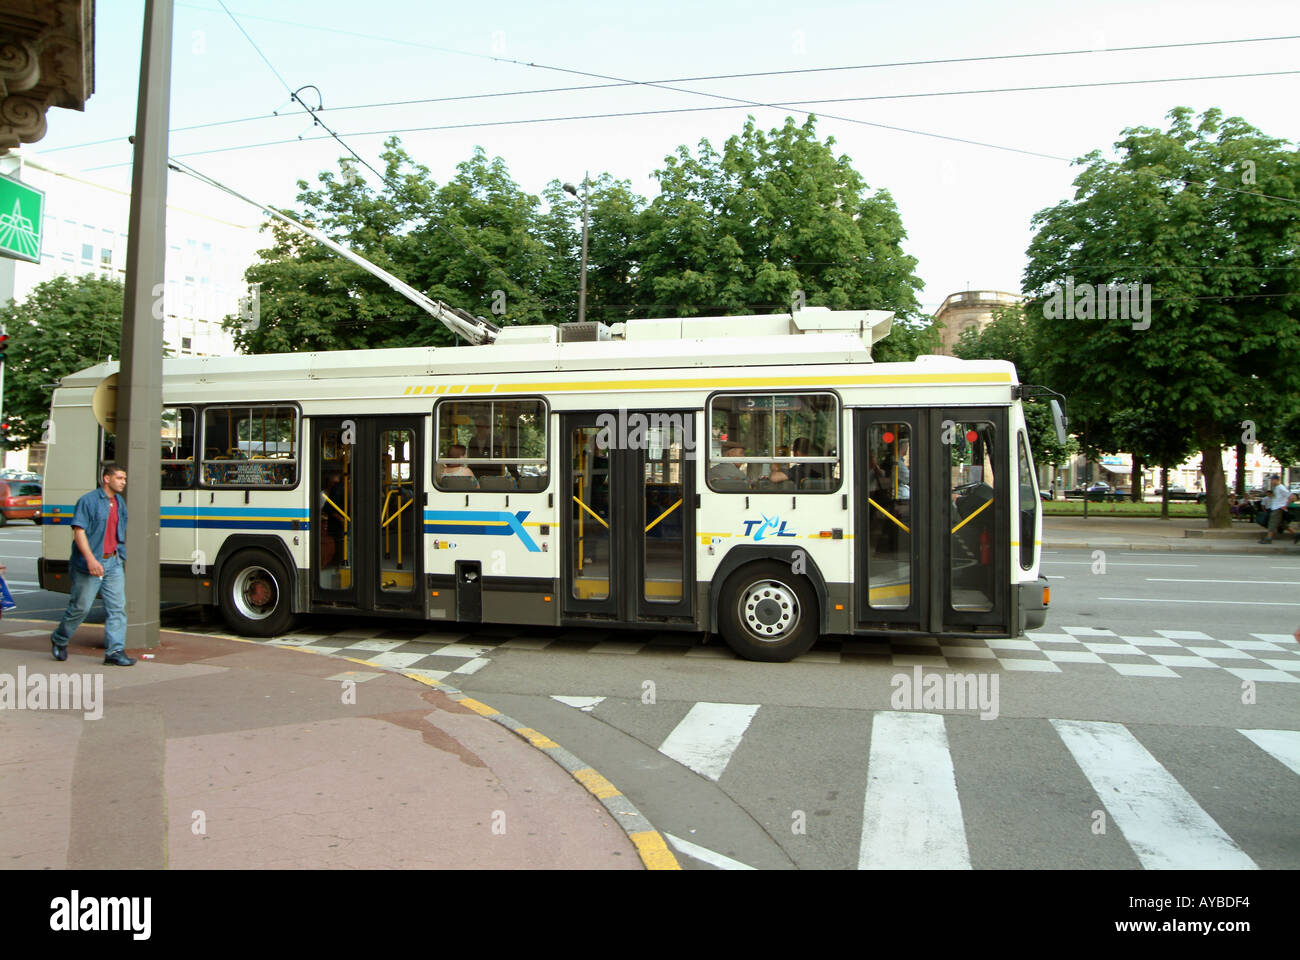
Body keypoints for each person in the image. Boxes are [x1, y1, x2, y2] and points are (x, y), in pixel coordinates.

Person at [51, 463, 133, 665]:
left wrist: (119, 556)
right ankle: (59, 638)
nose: (124, 482)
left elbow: (118, 532)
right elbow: (79, 532)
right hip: (89, 563)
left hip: (113, 561)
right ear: (107, 479)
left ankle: (114, 651)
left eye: (124, 478)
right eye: (120, 478)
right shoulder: (88, 501)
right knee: (81, 607)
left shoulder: (120, 502)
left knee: (117, 608)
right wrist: (91, 560)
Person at [1258, 473, 1296, 543]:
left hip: (1278, 508)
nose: (1271, 482)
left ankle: (1268, 538)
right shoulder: (1277, 488)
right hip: (1276, 507)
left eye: (1272, 480)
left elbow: (1292, 496)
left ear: (1276, 480)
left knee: (1272, 523)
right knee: (1282, 524)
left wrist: (1285, 506)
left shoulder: (1281, 487)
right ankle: (1296, 534)